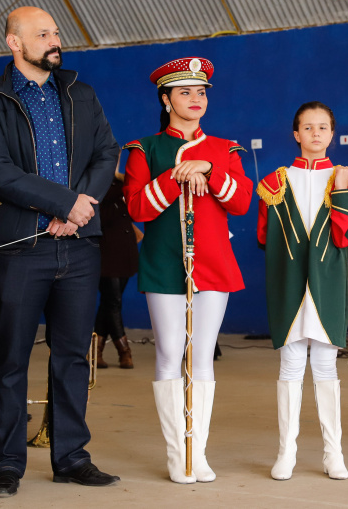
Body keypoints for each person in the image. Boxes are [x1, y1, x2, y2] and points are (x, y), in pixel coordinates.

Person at [0, 6, 121, 497]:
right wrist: (65, 202)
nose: (55, 40)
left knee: (73, 357)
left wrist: (79, 209)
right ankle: (6, 466)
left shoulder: (80, 92)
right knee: (9, 359)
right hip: (18, 248)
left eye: (56, 31)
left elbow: (106, 153)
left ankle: (71, 456)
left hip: (78, 247)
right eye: (43, 33)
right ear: (14, 42)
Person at [123, 57, 252, 484]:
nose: (195, 99)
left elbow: (240, 203)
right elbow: (138, 208)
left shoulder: (225, 149)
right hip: (163, 266)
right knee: (168, 354)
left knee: (202, 360)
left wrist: (210, 171)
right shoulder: (144, 149)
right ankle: (177, 454)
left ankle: (199, 452)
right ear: (165, 99)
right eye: (184, 92)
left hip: (213, 265)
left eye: (200, 92)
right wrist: (177, 176)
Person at [257, 101, 348, 481]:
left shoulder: (345, 179)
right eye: (308, 127)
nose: (316, 134)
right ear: (295, 134)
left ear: (332, 134)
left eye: (323, 127)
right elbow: (265, 237)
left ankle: (334, 453)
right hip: (289, 285)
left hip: (328, 284)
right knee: (290, 367)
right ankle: (287, 453)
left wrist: (345, 191)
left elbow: (345, 236)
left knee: (326, 368)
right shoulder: (273, 183)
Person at [94, 169, 141, 369]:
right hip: (106, 251)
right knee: (113, 302)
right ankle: (124, 350)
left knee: (109, 302)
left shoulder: (123, 184)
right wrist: (122, 179)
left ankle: (96, 351)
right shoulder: (96, 183)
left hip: (125, 250)